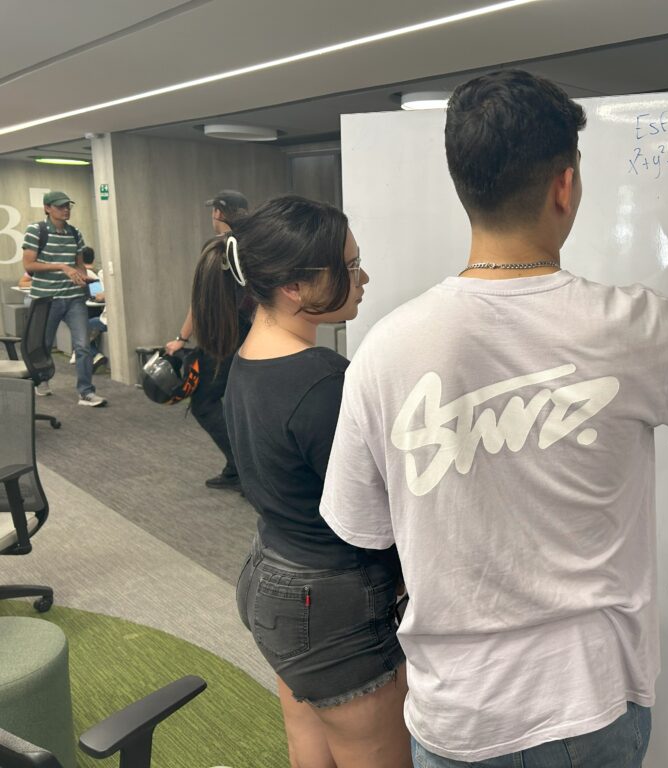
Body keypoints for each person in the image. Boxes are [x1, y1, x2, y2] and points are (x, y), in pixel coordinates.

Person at [320, 70, 668, 766]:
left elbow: (362, 530)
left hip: (456, 712)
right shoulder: (629, 327)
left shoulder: (385, 349)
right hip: (588, 702)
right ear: (565, 186)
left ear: (464, 185)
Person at [191, 195, 410, 768]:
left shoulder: (250, 358)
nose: (363, 278)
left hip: (273, 578)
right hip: (329, 601)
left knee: (311, 751)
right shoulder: (324, 383)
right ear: (293, 286)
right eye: (348, 267)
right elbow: (378, 514)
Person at [165, 189, 249, 491]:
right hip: (252, 338)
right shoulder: (254, 246)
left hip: (222, 340)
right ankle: (237, 466)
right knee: (238, 404)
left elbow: (199, 299)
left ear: (219, 213)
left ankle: (243, 468)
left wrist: (180, 338)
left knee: (204, 403)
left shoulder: (216, 248)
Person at [21, 190, 106, 406]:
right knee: (44, 344)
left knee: (83, 345)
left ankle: (86, 392)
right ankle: (41, 380)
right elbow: (29, 265)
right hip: (47, 299)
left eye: (68, 206)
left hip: (74, 299)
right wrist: (61, 267)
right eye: (60, 206)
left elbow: (79, 265)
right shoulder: (36, 231)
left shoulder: (75, 233)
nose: (66, 210)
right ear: (48, 208)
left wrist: (88, 280)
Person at [80, 247, 108, 370]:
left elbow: (99, 296)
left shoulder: (89, 273)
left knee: (80, 328)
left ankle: (95, 355)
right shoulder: (96, 273)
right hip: (98, 310)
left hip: (102, 316)